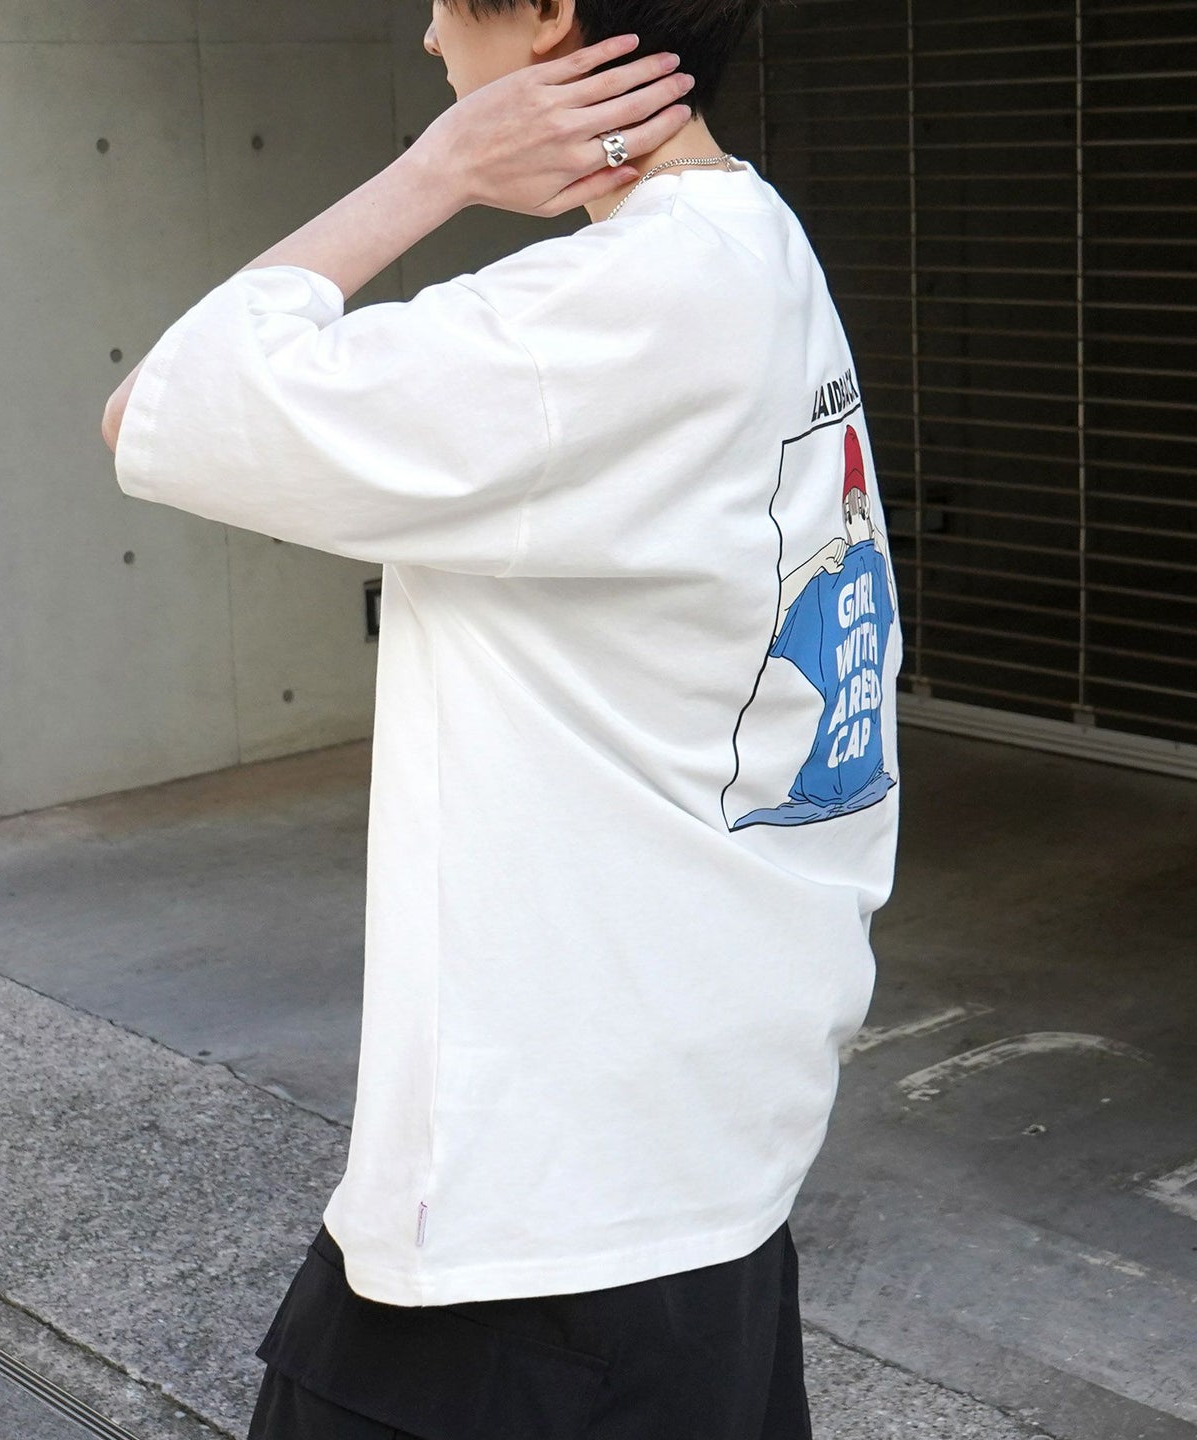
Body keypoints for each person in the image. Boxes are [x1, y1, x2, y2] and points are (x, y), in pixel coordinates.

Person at [102, 0, 904, 1435]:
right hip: (705, 1141)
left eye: (441, 2)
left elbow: (159, 409)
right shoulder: (756, 242)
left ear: (545, 17)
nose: (427, 39)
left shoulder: (601, 318)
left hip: (541, 1212)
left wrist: (436, 172)